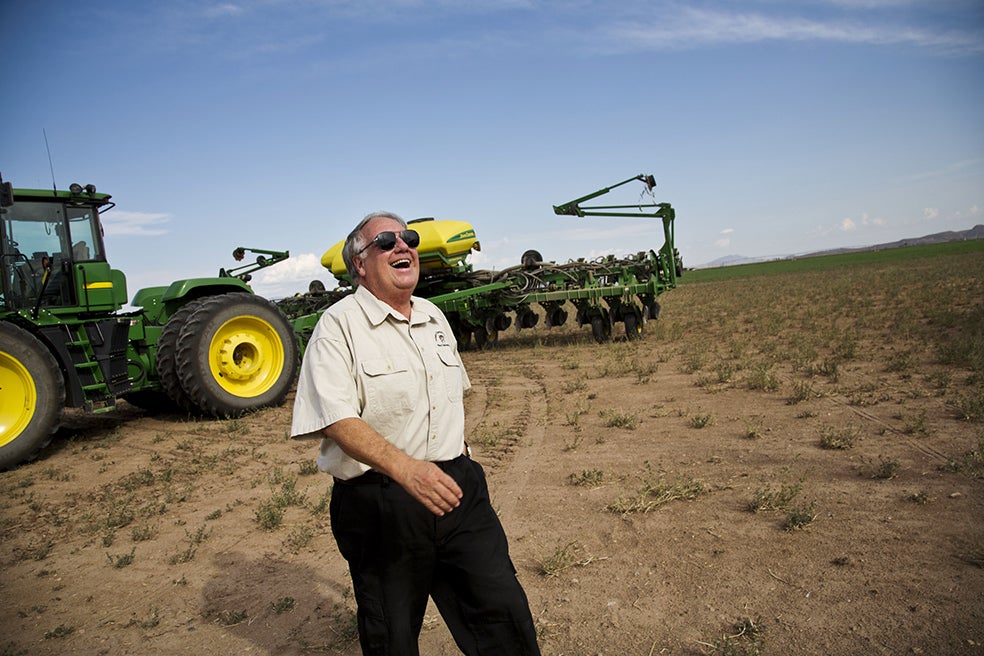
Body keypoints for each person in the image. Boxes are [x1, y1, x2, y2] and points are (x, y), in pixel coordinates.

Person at [290, 211, 540, 655]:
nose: (402, 246)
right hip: (383, 502)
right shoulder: (338, 326)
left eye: (408, 238)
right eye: (386, 241)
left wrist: (459, 457)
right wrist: (408, 471)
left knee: (502, 612)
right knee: (393, 634)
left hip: (456, 490)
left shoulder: (432, 316)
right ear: (360, 264)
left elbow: (449, 395)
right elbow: (335, 417)